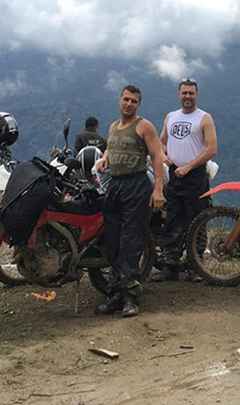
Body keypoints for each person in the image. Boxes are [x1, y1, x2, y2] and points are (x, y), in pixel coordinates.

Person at [94, 85, 166, 317]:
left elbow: (157, 156)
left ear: (139, 105)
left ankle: (132, 299)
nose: (129, 104)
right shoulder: (113, 127)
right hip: (115, 185)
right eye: (126, 99)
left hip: (136, 185)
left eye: (134, 101)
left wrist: (158, 189)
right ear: (119, 101)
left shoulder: (144, 126)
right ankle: (116, 294)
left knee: (131, 241)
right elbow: (110, 147)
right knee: (113, 242)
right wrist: (105, 159)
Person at [151, 78, 218, 282]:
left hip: (196, 176)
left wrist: (189, 166)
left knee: (196, 221)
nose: (187, 96)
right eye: (184, 93)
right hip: (174, 176)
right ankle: (170, 266)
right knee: (172, 220)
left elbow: (211, 149)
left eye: (191, 93)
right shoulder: (170, 117)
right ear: (178, 94)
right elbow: (161, 143)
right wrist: (164, 157)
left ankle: (195, 267)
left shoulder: (204, 118)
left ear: (196, 95)